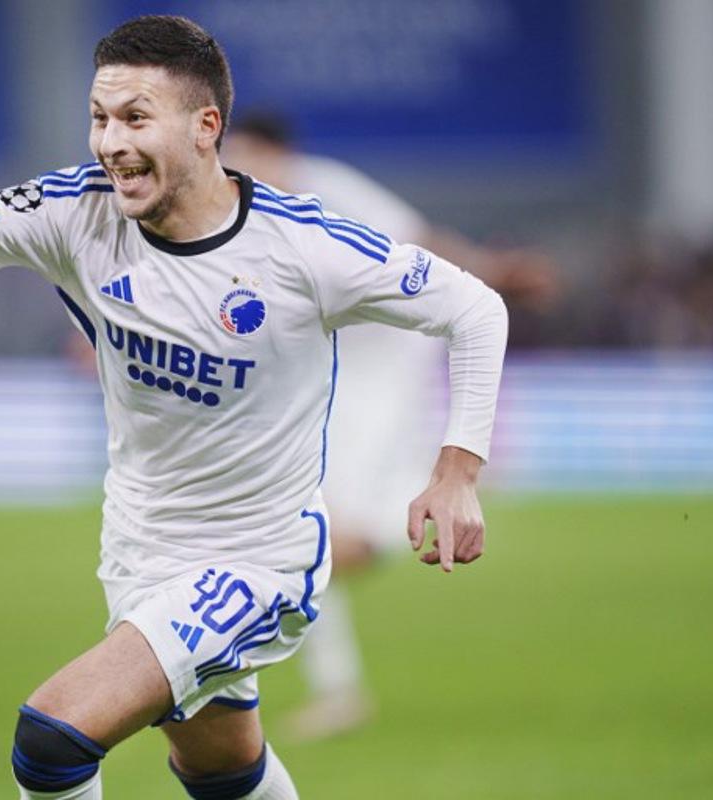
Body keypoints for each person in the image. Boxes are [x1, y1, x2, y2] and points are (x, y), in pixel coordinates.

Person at [0, 14, 508, 800]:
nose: (110, 141)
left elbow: (476, 309)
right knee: (220, 768)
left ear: (205, 126)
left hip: (260, 563)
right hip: (139, 553)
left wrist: (457, 471)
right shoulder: (78, 213)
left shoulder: (303, 247)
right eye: (100, 117)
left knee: (53, 737)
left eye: (135, 118)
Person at [222, 112, 553, 740]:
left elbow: (416, 242)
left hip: (386, 360)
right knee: (307, 532)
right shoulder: (242, 208)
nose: (241, 169)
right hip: (330, 364)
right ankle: (340, 676)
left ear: (276, 152)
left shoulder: (330, 188)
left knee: (320, 535)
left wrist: (490, 267)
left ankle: (406, 522)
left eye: (248, 154)